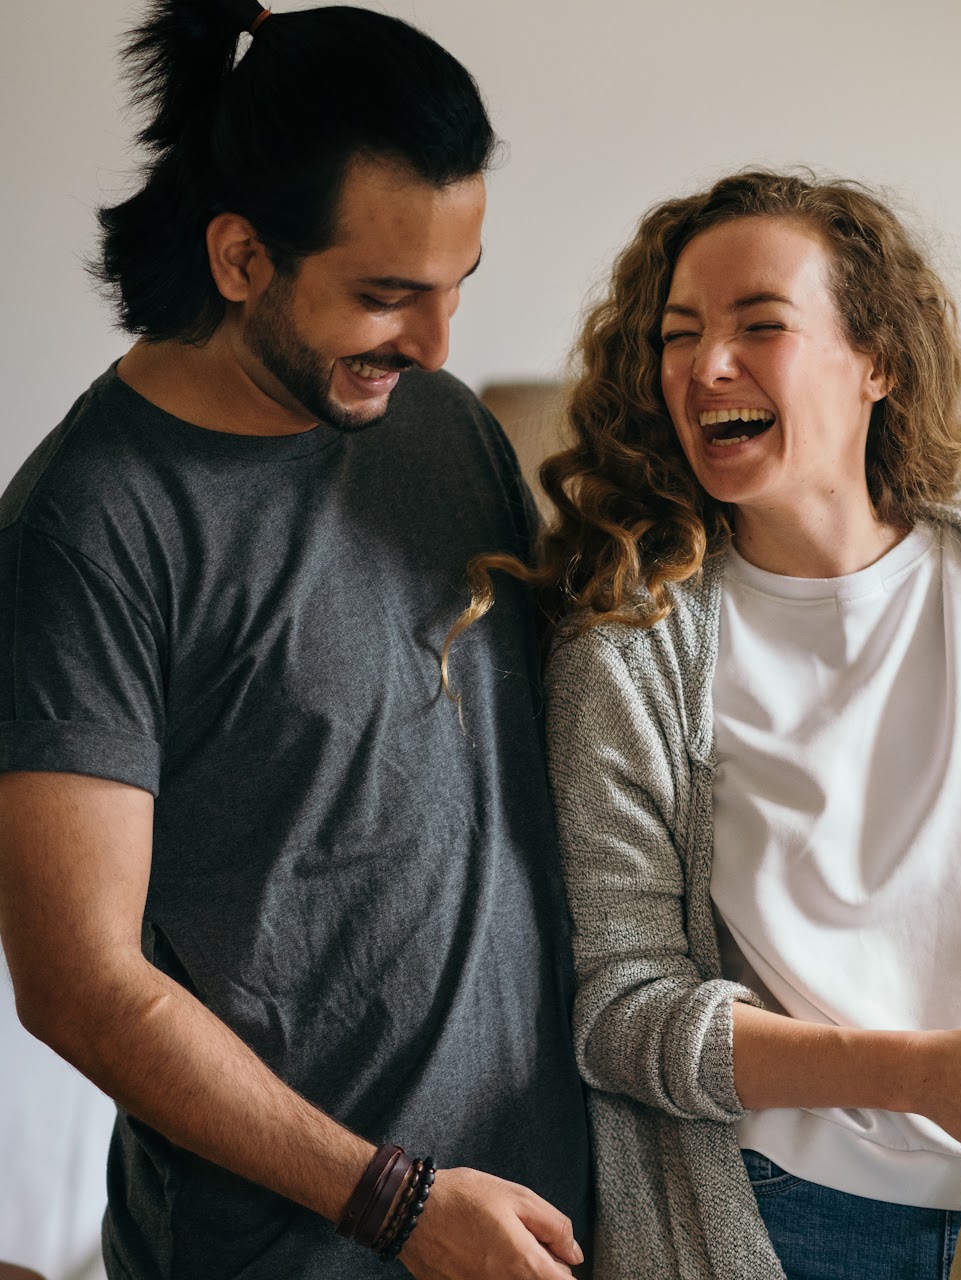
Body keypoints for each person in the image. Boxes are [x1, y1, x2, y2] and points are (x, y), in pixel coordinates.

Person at [451, 170, 961, 1280]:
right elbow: (623, 1013)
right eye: (678, 334)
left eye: (759, 325)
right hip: (794, 1221)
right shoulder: (628, 651)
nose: (705, 366)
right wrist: (927, 1076)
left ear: (876, 359)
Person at [0, 2, 590, 1276]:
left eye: (452, 290)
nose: (437, 347)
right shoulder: (87, 524)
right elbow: (77, 981)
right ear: (237, 258)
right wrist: (399, 1201)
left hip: (533, 1226)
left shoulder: (439, 425)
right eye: (386, 297)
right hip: (291, 1247)